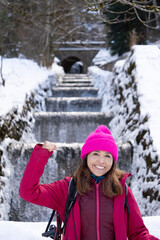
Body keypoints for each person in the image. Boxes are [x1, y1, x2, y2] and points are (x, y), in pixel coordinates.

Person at [19, 125, 159, 240]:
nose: (101, 161)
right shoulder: (68, 188)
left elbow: (138, 233)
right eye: (96, 154)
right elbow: (28, 192)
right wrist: (41, 155)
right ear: (86, 157)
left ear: (113, 161)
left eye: (107, 156)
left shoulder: (122, 190)